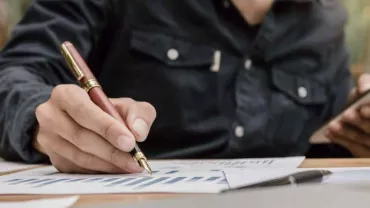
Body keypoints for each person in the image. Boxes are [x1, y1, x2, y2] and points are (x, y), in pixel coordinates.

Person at [0, 0, 369, 174]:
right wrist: (38, 122)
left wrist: (357, 132)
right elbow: (14, 74)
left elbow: (320, 141)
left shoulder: (326, 21)